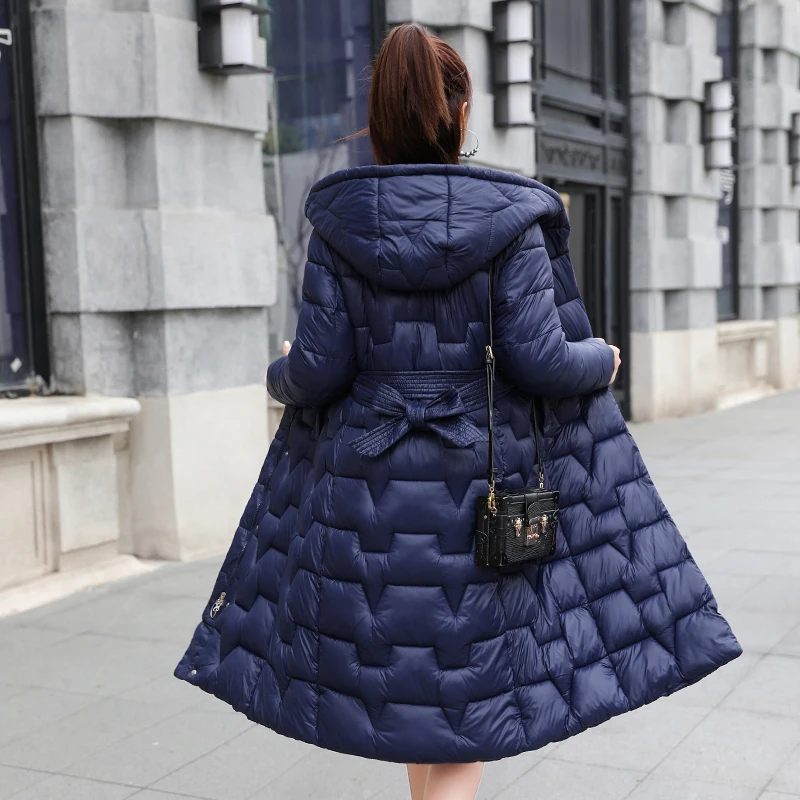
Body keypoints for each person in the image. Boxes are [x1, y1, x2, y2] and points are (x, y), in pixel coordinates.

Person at [175, 23, 742, 800]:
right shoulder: (510, 221)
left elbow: (317, 370)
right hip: (480, 502)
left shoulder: (339, 226)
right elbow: (539, 360)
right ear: (460, 111)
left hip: (368, 507)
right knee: (468, 710)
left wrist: (280, 369)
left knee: (415, 703)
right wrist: (601, 360)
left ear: (376, 118)